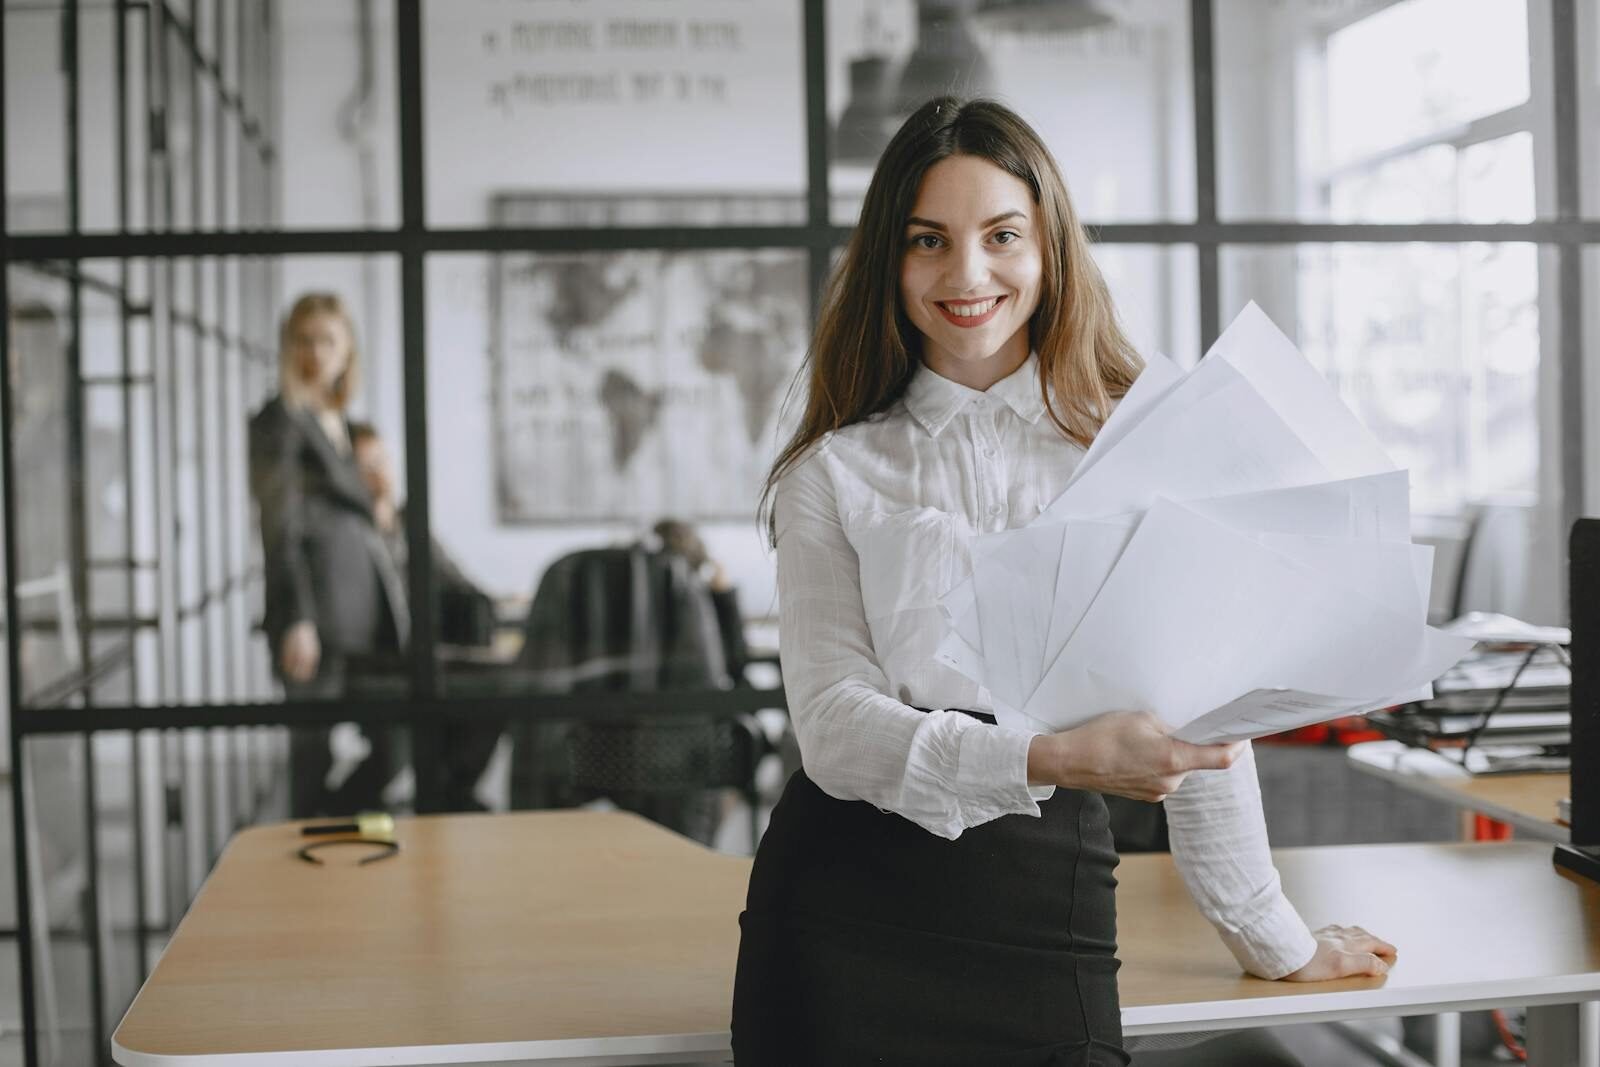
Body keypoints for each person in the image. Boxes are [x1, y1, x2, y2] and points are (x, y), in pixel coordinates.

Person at [730, 98, 1396, 1065]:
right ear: (889, 260)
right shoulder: (830, 471)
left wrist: (1275, 941)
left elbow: (1205, 719)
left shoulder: (1139, 445)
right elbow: (833, 727)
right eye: (927, 240)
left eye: (1002, 235)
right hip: (840, 914)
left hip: (1050, 900)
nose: (967, 274)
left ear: (1050, 249)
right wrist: (1057, 757)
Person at [248, 292, 407, 818]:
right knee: (312, 758)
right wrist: (298, 619)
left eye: (327, 341)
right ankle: (315, 843)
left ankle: (332, 829)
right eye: (303, 340)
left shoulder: (339, 422)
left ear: (347, 351)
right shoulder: (280, 420)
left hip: (361, 618)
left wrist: (378, 504)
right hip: (317, 617)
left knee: (393, 743)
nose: (314, 352)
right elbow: (281, 528)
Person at [348, 420, 503, 811]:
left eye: (382, 461)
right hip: (382, 660)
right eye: (366, 466)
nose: (379, 475)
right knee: (486, 688)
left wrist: (488, 603)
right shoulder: (351, 533)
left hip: (424, 652)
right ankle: (446, 791)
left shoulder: (408, 524)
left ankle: (450, 788)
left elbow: (457, 579)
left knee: (497, 683)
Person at [652, 517, 750, 686]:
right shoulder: (694, 595)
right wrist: (725, 596)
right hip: (698, 689)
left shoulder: (668, 587)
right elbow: (737, 660)